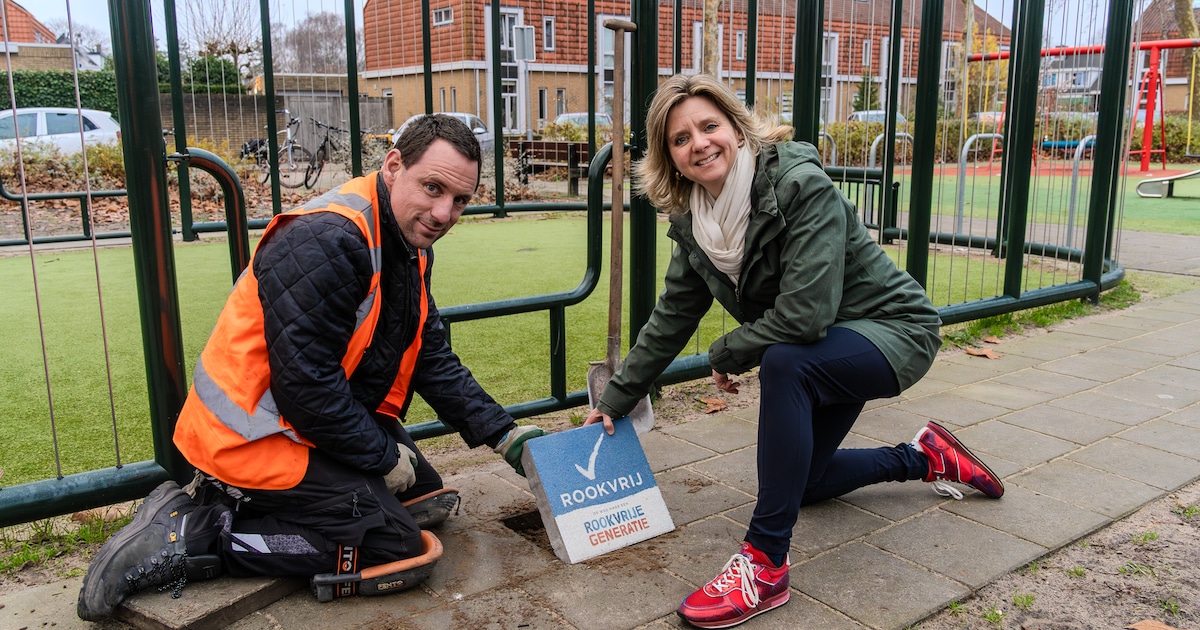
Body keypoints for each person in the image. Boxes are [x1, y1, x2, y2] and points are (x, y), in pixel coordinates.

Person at [77, 114, 545, 621]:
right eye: (433, 188)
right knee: (393, 545)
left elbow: (429, 354)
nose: (443, 213)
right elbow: (306, 387)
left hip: (301, 420)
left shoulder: (406, 241)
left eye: (459, 200)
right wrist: (380, 457)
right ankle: (199, 532)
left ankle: (289, 507)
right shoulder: (329, 239)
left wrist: (504, 434)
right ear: (393, 166)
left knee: (427, 497)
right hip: (249, 437)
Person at [584, 74, 1004, 629]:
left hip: (892, 332)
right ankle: (926, 457)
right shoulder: (697, 221)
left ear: (737, 129)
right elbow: (672, 316)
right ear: (671, 159)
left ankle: (764, 565)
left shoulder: (800, 185)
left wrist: (728, 351)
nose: (699, 144)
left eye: (709, 126)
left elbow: (805, 316)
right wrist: (615, 400)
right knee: (802, 482)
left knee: (784, 362)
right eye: (680, 138)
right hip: (826, 345)